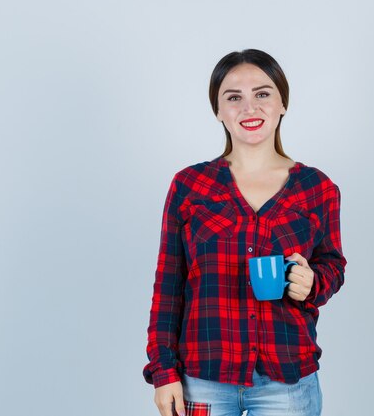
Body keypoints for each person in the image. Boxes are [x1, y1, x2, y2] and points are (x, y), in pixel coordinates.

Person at [142, 49, 347, 416]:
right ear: (218, 111)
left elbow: (332, 265)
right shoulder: (190, 186)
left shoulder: (318, 188)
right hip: (202, 379)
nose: (249, 108)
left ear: (282, 102)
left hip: (288, 381)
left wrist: (312, 282)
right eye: (233, 97)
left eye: (262, 94)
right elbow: (168, 287)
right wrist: (163, 373)